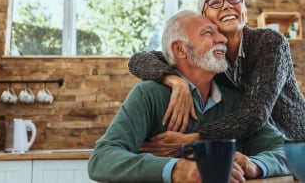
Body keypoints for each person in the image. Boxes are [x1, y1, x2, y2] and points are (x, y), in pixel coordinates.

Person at [88, 10, 290, 183]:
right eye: (208, 33)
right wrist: (178, 170)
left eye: (219, 33)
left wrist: (253, 164)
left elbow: (287, 152)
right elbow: (102, 158)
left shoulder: (237, 101)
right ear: (180, 49)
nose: (222, 39)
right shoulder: (148, 95)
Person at [128, 0, 305, 141]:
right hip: (259, 147)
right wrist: (176, 81)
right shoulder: (205, 55)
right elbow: (138, 60)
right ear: (204, 19)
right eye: (215, 2)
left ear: (244, 12)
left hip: (297, 142)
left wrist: (196, 138)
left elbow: (255, 114)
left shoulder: (270, 43)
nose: (228, 5)